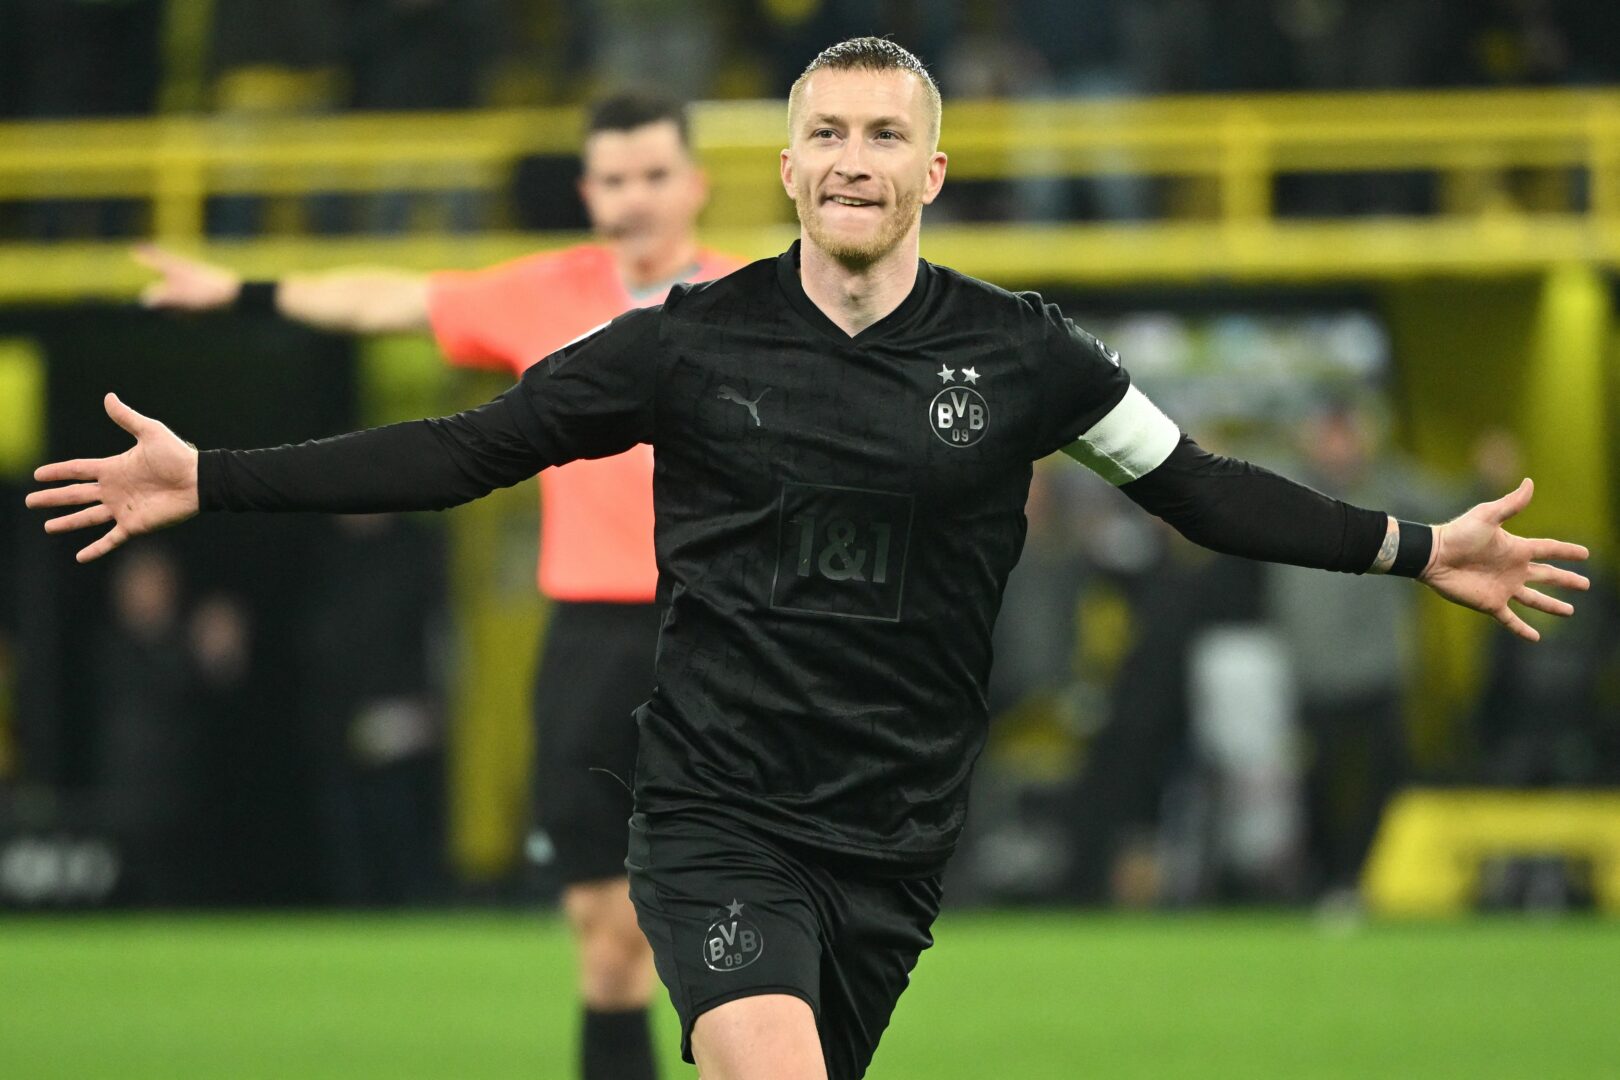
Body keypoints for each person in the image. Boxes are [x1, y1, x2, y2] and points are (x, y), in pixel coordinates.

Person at [30, 38, 1590, 1080]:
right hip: (716, 814)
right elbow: (461, 450)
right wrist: (209, 476)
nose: (854, 158)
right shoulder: (680, 343)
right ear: (783, 169)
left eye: (885, 135)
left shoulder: (1027, 356)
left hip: (893, 838)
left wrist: (1413, 546)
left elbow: (1199, 488)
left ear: (933, 171)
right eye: (826, 133)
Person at [130, 92, 743, 1080]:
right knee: (604, 936)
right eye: (615, 179)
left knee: (738, 935)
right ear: (589, 192)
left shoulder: (753, 304)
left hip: (728, 636)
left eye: (654, 175)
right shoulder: (547, 295)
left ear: (696, 184)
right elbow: (392, 300)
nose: (635, 198)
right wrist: (244, 292)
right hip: (591, 637)